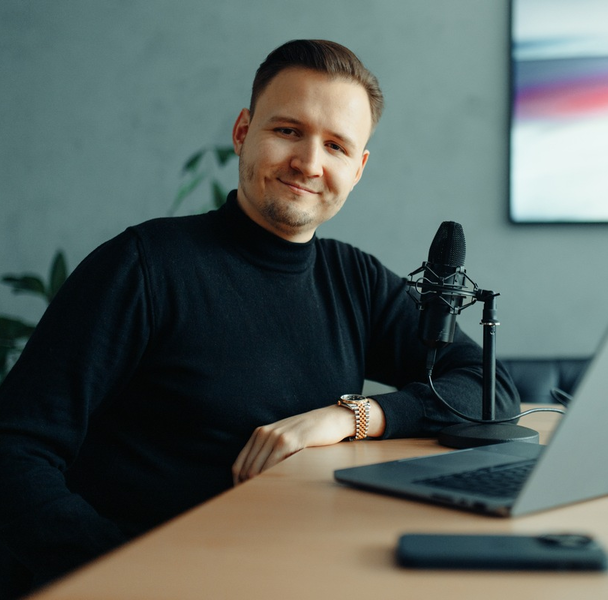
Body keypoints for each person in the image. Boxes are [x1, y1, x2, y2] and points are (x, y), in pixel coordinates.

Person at [0, 39, 519, 597]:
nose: (309, 163)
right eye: (288, 131)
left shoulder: (355, 279)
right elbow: (14, 452)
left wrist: (353, 416)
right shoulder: (143, 267)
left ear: (359, 168)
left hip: (290, 573)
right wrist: (128, 572)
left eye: (337, 146)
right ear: (243, 132)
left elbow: (490, 390)